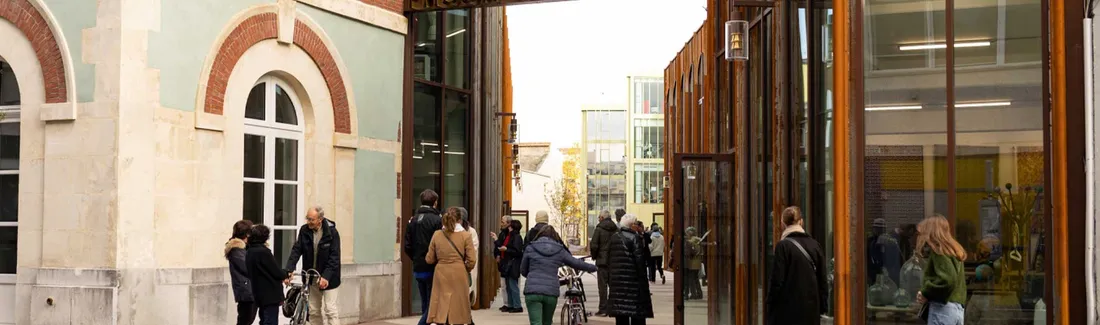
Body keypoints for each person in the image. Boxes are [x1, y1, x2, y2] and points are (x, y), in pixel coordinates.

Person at [521, 225, 597, 325]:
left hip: (533, 291)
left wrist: (532, 277)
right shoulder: (559, 250)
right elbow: (575, 263)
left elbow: (523, 270)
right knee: (547, 322)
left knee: (536, 322)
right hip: (551, 291)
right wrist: (593, 268)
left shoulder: (530, 247)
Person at [766, 207, 828, 325]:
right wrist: (823, 306)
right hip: (811, 310)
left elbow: (777, 281)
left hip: (787, 310)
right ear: (801, 221)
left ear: (783, 223)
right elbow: (822, 280)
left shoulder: (783, 246)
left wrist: (771, 305)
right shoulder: (815, 245)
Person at [284, 206, 341, 325]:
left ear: (320, 219)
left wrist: (325, 276)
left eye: (311, 219)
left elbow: (334, 257)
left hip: (329, 277)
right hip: (312, 276)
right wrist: (289, 269)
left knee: (330, 310)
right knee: (314, 310)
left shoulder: (332, 232)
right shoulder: (304, 230)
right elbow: (296, 250)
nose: (308, 222)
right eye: (307, 219)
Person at [425, 207, 477, 325]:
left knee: (441, 303)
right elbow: (472, 260)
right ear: (460, 219)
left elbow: (429, 259)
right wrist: (465, 268)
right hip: (459, 272)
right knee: (458, 305)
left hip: (441, 271)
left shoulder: (437, 234)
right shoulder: (466, 235)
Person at [915, 215, 967, 325]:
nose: (921, 236)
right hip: (957, 310)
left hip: (942, 309)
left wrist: (925, 292)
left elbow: (947, 280)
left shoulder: (939, 251)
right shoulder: (954, 251)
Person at [404, 190, 444, 325]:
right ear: (435, 202)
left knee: (425, 302)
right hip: (433, 266)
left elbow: (407, 245)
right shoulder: (437, 220)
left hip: (418, 266)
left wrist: (415, 257)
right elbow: (440, 244)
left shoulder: (412, 220)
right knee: (433, 303)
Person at [606, 214, 654, 325]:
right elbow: (640, 262)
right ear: (632, 225)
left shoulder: (613, 237)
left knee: (621, 316)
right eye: (636, 224)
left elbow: (608, 259)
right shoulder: (635, 238)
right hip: (633, 284)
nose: (638, 226)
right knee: (637, 314)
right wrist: (644, 282)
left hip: (617, 284)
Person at [245, 225, 290, 325]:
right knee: (270, 320)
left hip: (258, 292)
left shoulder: (249, 251)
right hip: (270, 293)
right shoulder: (264, 252)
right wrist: (285, 274)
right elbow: (276, 271)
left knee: (264, 319)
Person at [225, 220, 257, 325]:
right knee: (245, 320)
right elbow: (248, 268)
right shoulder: (236, 250)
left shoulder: (245, 248)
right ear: (247, 234)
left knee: (248, 319)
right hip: (245, 291)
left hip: (250, 290)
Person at [589, 210, 617, 316]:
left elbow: (594, 245)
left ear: (602, 218)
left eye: (599, 217)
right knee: (613, 286)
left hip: (602, 261)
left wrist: (594, 256)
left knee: (602, 287)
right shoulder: (616, 229)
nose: (598, 219)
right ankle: (613, 308)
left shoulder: (599, 229)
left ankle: (603, 309)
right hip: (614, 261)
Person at [495, 219, 525, 313]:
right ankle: (511, 305)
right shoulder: (510, 236)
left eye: (510, 226)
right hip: (507, 263)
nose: (508, 227)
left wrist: (506, 249)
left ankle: (517, 305)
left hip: (513, 264)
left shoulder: (517, 237)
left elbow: (517, 252)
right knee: (508, 285)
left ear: (512, 227)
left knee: (513, 285)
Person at [457, 207, 479, 305]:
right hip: (456, 266)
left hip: (467, 266)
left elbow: (473, 249)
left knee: (467, 290)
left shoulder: (471, 231)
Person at [683, 227, 704, 300]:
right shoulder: (699, 240)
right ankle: (699, 293)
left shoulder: (691, 241)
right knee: (695, 279)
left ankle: (693, 294)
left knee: (691, 279)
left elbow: (691, 252)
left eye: (687, 233)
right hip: (698, 261)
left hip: (692, 262)